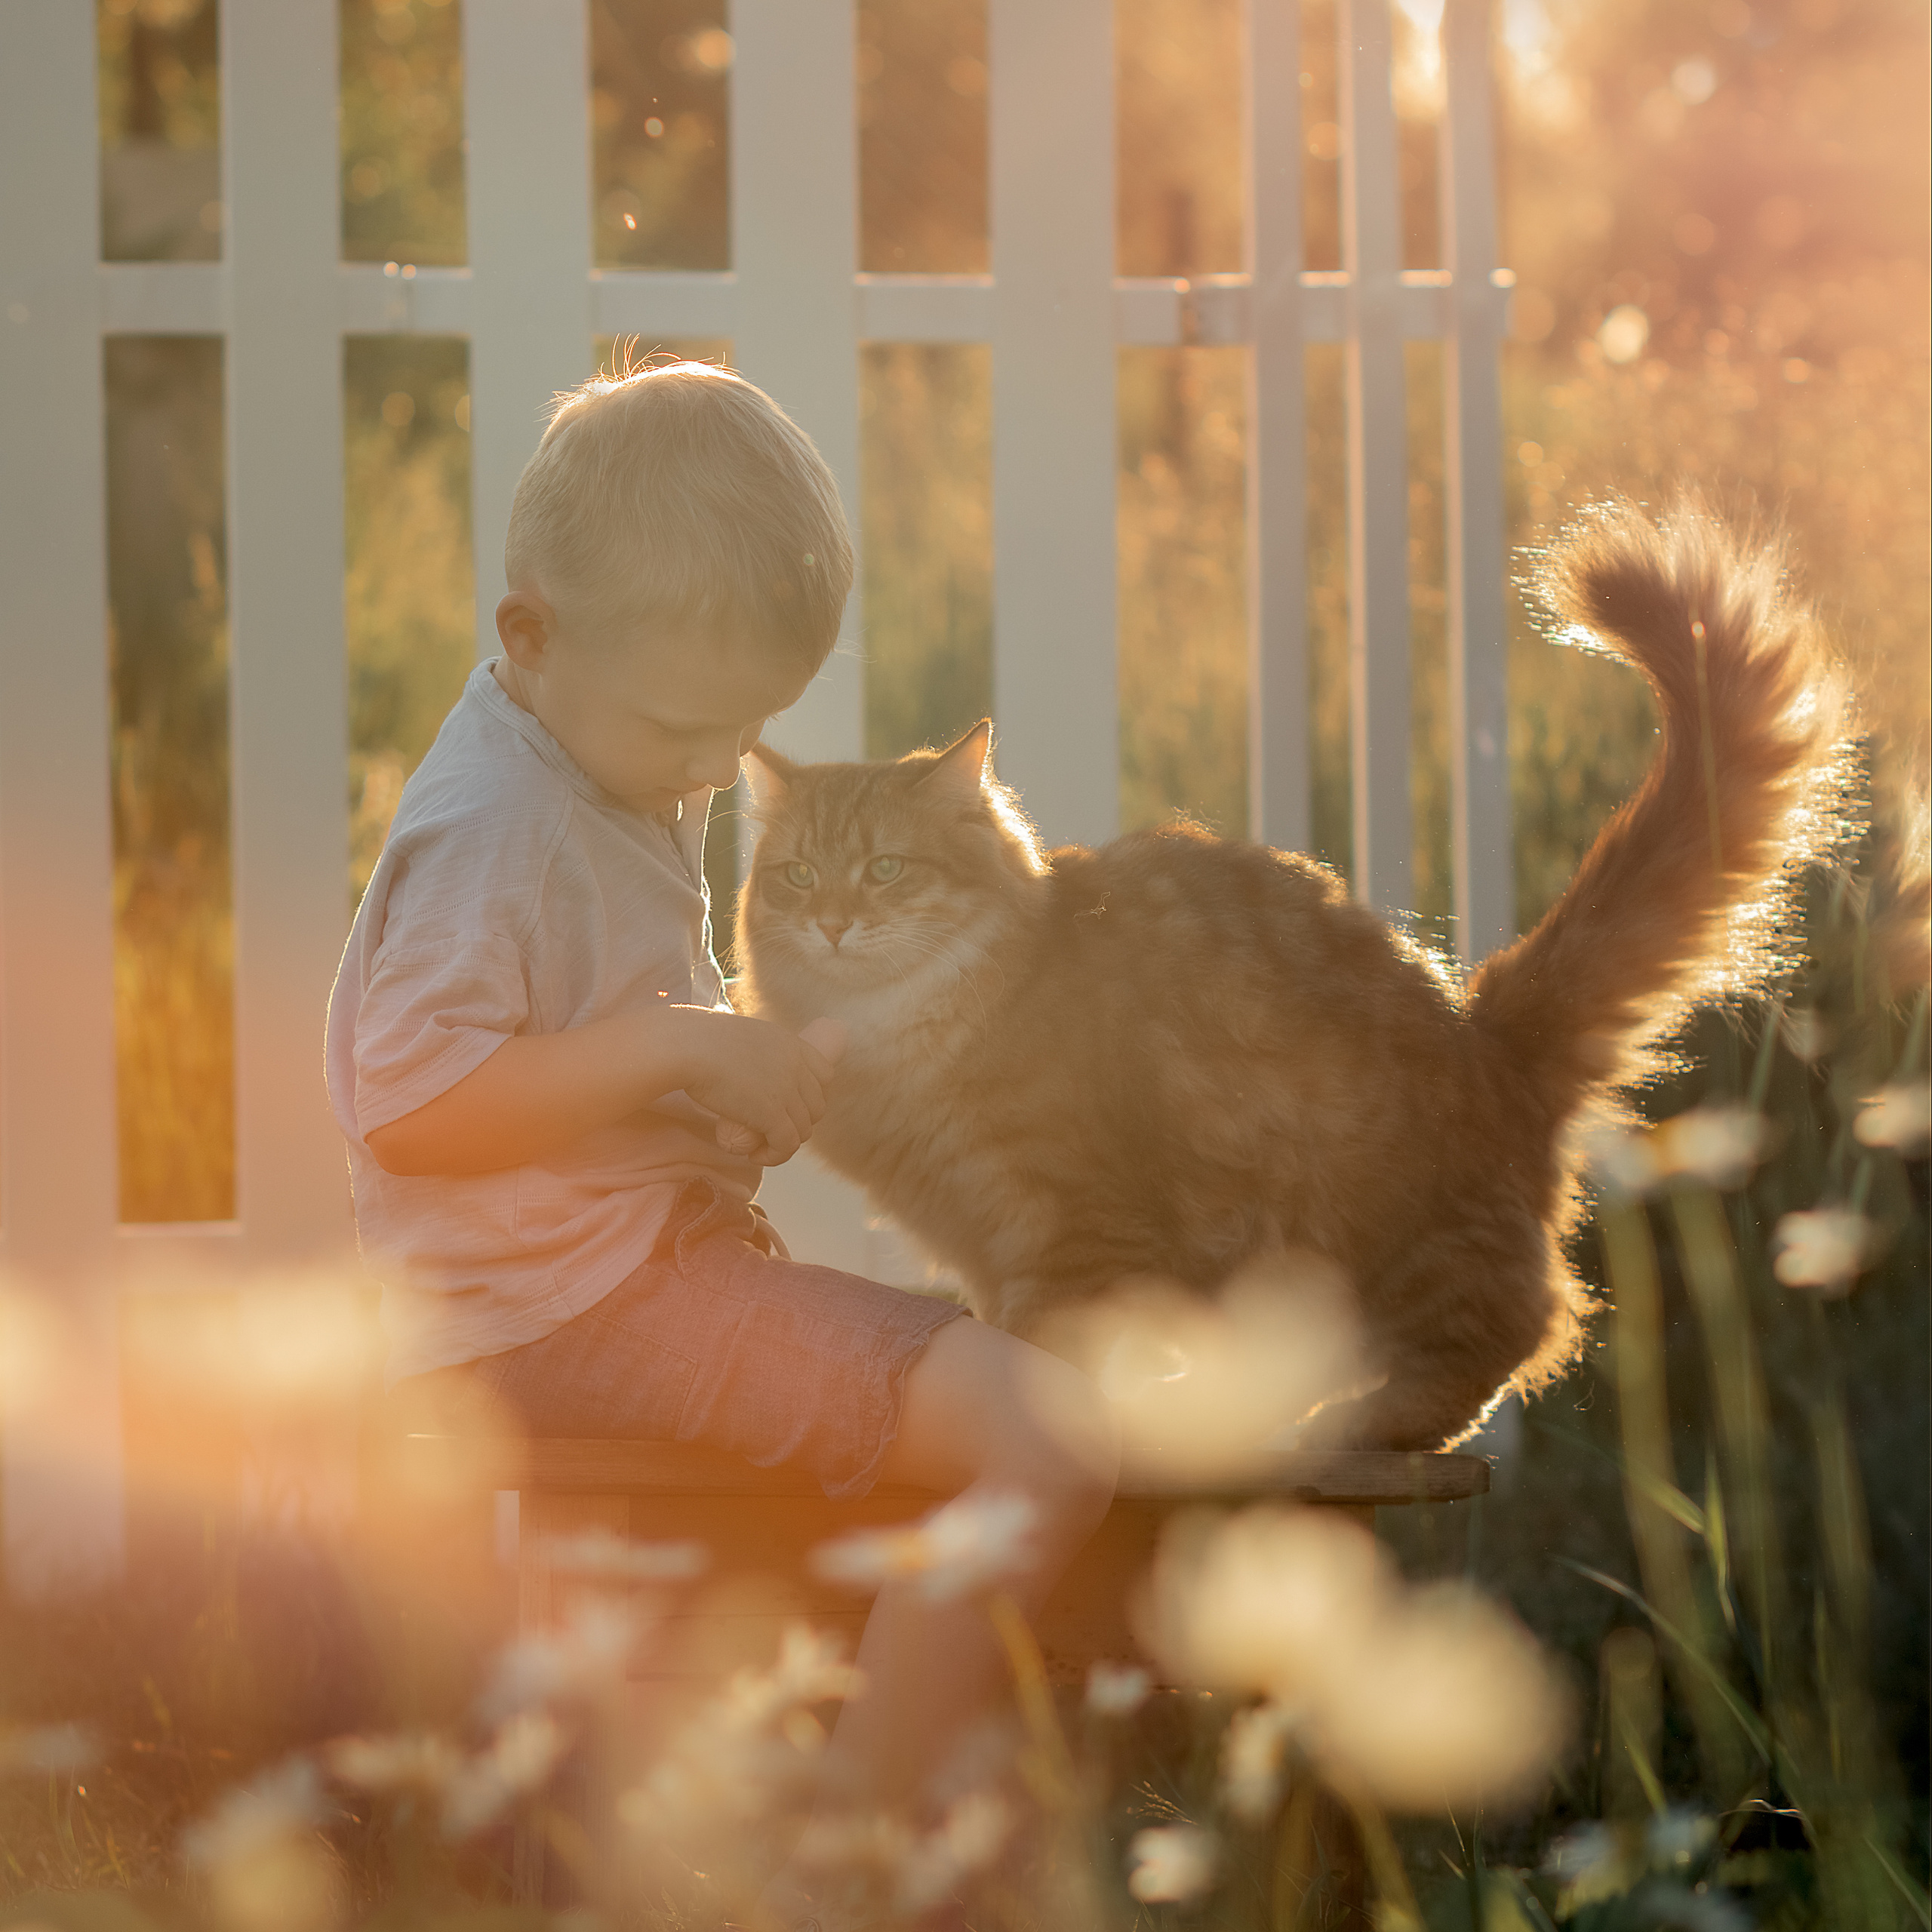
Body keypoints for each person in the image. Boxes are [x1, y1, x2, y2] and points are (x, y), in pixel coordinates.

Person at [325, 360, 1119, 1930]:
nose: (710, 768)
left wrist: (692, 1098)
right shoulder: (504, 821)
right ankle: (857, 1842)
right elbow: (407, 1105)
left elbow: (544, 1050)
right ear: (528, 636)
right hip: (568, 1311)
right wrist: (681, 1045)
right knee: (1045, 1431)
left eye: (742, 727)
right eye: (684, 728)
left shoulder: (586, 743)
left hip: (599, 1272)